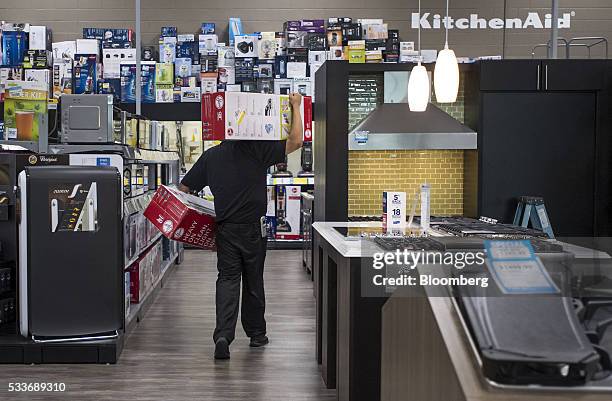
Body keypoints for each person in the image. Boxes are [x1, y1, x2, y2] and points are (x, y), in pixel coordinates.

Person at [179, 93, 304, 360]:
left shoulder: (211, 156)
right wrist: (295, 105)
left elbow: (184, 188)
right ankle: (257, 335)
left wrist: (201, 213)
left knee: (227, 279)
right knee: (253, 280)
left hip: (225, 228)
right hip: (253, 229)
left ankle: (223, 335)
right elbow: (296, 140)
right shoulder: (257, 150)